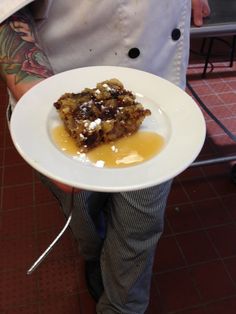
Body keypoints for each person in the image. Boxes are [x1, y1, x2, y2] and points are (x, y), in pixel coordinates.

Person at [0, 1, 210, 313]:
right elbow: (7, 13)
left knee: (140, 227)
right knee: (84, 216)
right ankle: (94, 254)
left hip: (158, 85)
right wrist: (45, 105)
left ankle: (121, 305)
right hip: (58, 85)